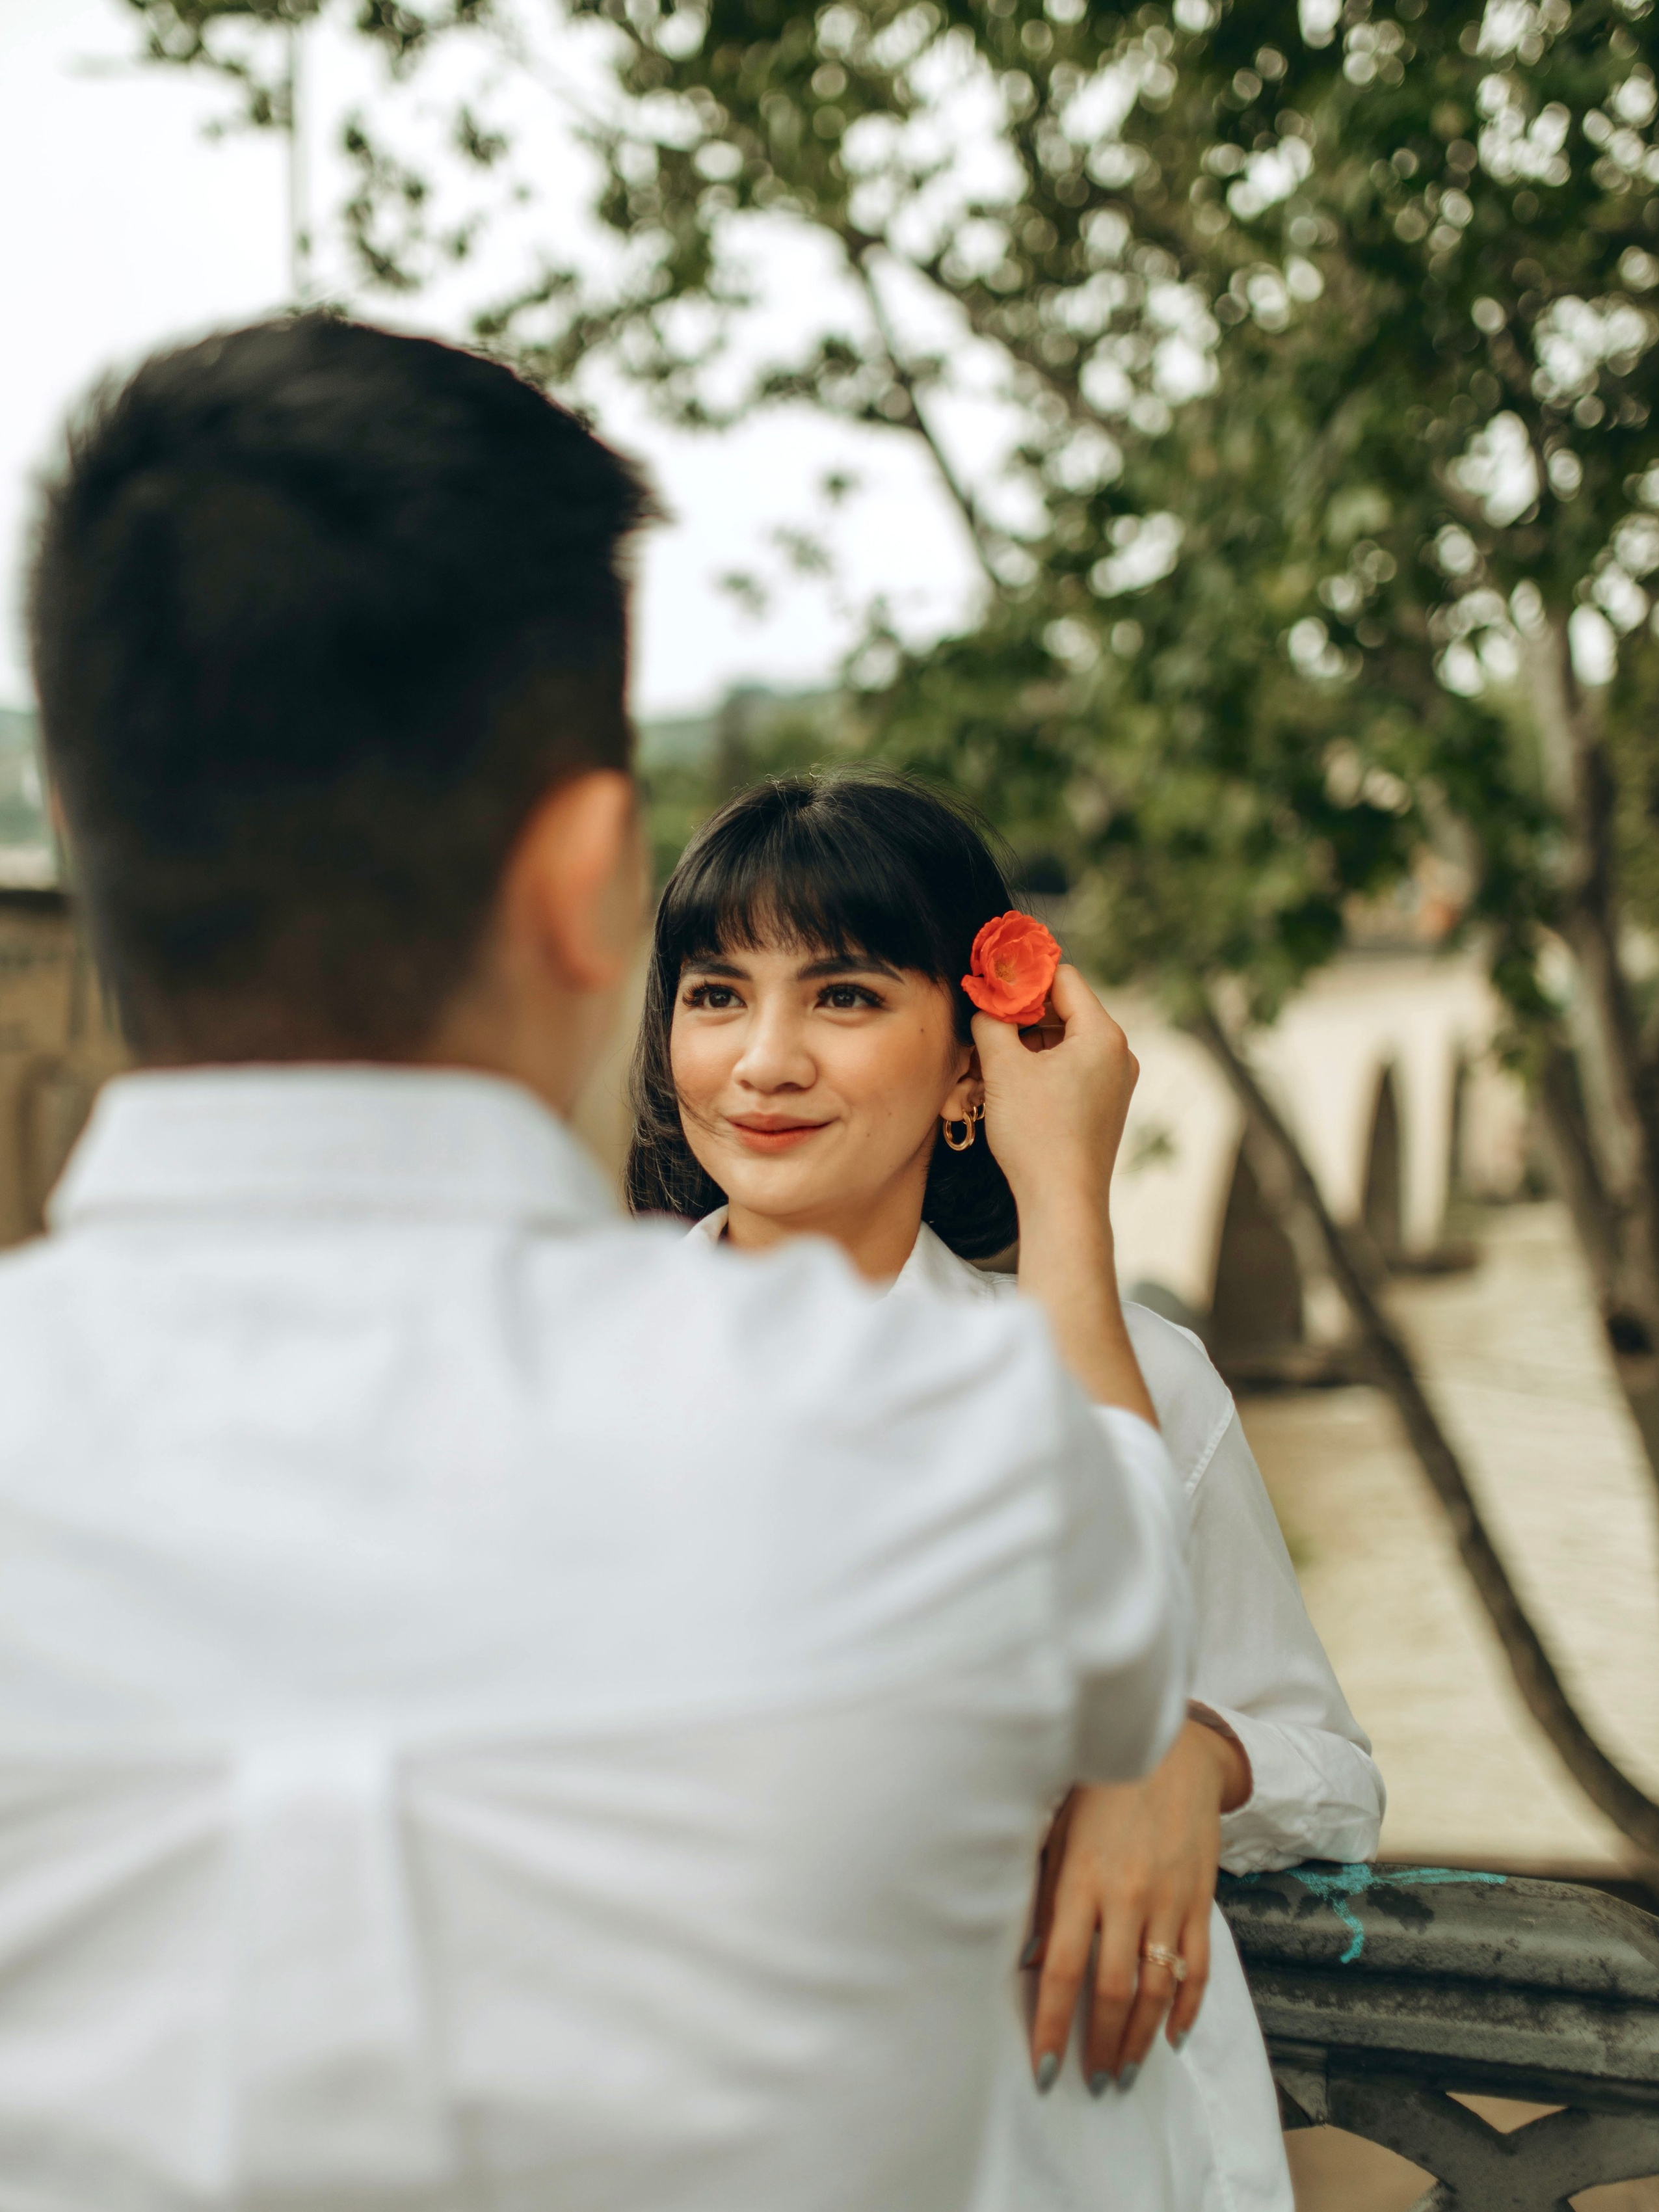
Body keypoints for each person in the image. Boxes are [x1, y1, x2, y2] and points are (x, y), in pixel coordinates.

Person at [7, 313, 1191, 2212]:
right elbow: (1132, 1579)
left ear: (81, 830)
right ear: (589, 884)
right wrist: (1063, 1199)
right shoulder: (929, 1440)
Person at [627, 769, 1386, 2212]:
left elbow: (1334, 1777)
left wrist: (1188, 1760)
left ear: (970, 1067)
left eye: (844, 997)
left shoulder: (1147, 1379)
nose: (763, 1060)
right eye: (716, 996)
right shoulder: (567, 1383)